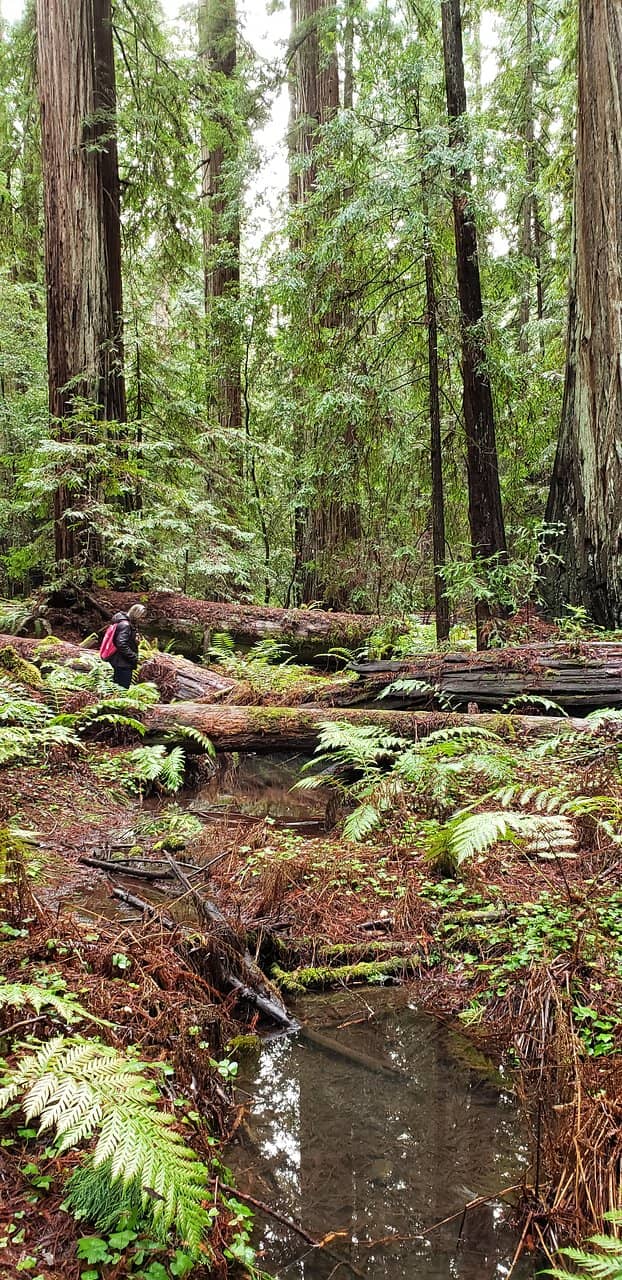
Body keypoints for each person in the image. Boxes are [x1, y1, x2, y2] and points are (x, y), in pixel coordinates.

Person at [105, 603, 146, 688]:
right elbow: (121, 644)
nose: (142, 620)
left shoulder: (125, 623)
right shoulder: (125, 625)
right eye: (141, 617)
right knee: (122, 688)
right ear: (136, 614)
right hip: (123, 663)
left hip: (120, 661)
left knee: (117, 687)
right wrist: (133, 656)